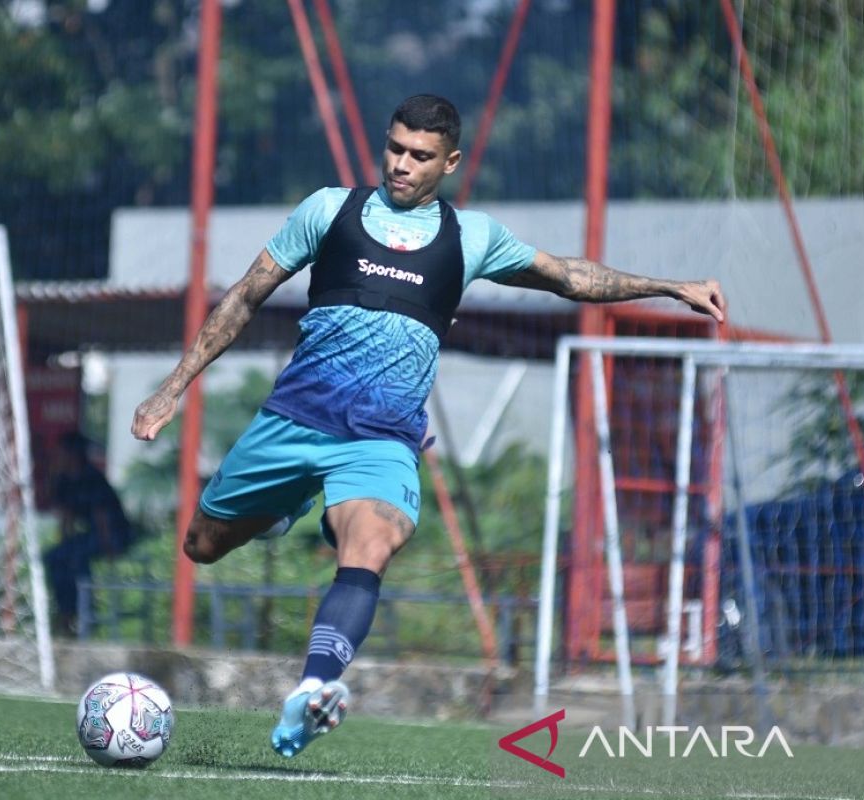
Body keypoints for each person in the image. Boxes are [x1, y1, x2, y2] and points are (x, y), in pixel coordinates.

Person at [132, 94, 726, 758]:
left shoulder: (472, 237)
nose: (402, 165)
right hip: (294, 419)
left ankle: (312, 691)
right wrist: (171, 389)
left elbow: (570, 277)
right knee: (203, 545)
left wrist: (670, 286)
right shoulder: (330, 210)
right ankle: (281, 507)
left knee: (371, 544)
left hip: (381, 437)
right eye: (394, 148)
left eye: (419, 155)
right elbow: (245, 295)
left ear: (450, 162)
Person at [43, 431, 135, 636]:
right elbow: (65, 516)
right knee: (55, 557)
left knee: (76, 557)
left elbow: (102, 517)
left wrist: (109, 549)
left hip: (113, 534)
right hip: (91, 536)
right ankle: (66, 612)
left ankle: (86, 612)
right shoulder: (65, 481)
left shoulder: (92, 478)